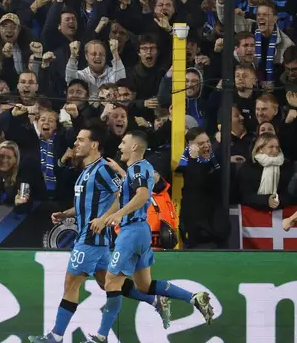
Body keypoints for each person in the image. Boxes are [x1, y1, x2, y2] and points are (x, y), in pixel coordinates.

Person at [28, 125, 169, 343]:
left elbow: (121, 194)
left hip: (91, 238)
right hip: (92, 237)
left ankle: (55, 337)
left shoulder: (103, 168)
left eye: (80, 140)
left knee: (71, 283)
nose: (75, 143)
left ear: (94, 145)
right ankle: (154, 301)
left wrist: (105, 219)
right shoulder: (86, 170)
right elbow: (87, 204)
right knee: (108, 284)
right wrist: (66, 214)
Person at [85, 131, 215, 342]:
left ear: (134, 147)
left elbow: (143, 194)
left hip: (130, 232)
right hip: (141, 232)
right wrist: (120, 173)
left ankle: (101, 336)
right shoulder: (142, 168)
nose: (120, 146)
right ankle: (193, 298)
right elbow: (136, 189)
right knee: (144, 286)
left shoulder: (137, 168)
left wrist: (118, 214)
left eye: (124, 142)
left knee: (110, 282)